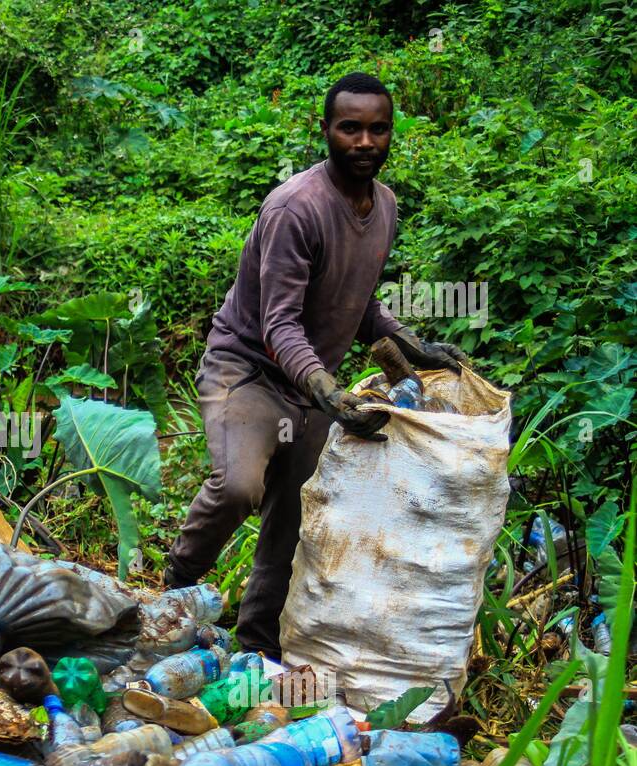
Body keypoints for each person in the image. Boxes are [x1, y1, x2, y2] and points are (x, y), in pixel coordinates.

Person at [164, 73, 468, 659]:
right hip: (249, 372)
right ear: (325, 131)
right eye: (349, 127)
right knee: (238, 486)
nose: (364, 141)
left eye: (377, 129)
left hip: (310, 389)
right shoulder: (295, 209)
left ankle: (256, 647)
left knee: (296, 518)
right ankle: (174, 589)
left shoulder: (384, 208)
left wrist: (413, 347)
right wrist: (328, 389)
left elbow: (361, 303)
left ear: (390, 134)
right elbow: (279, 323)